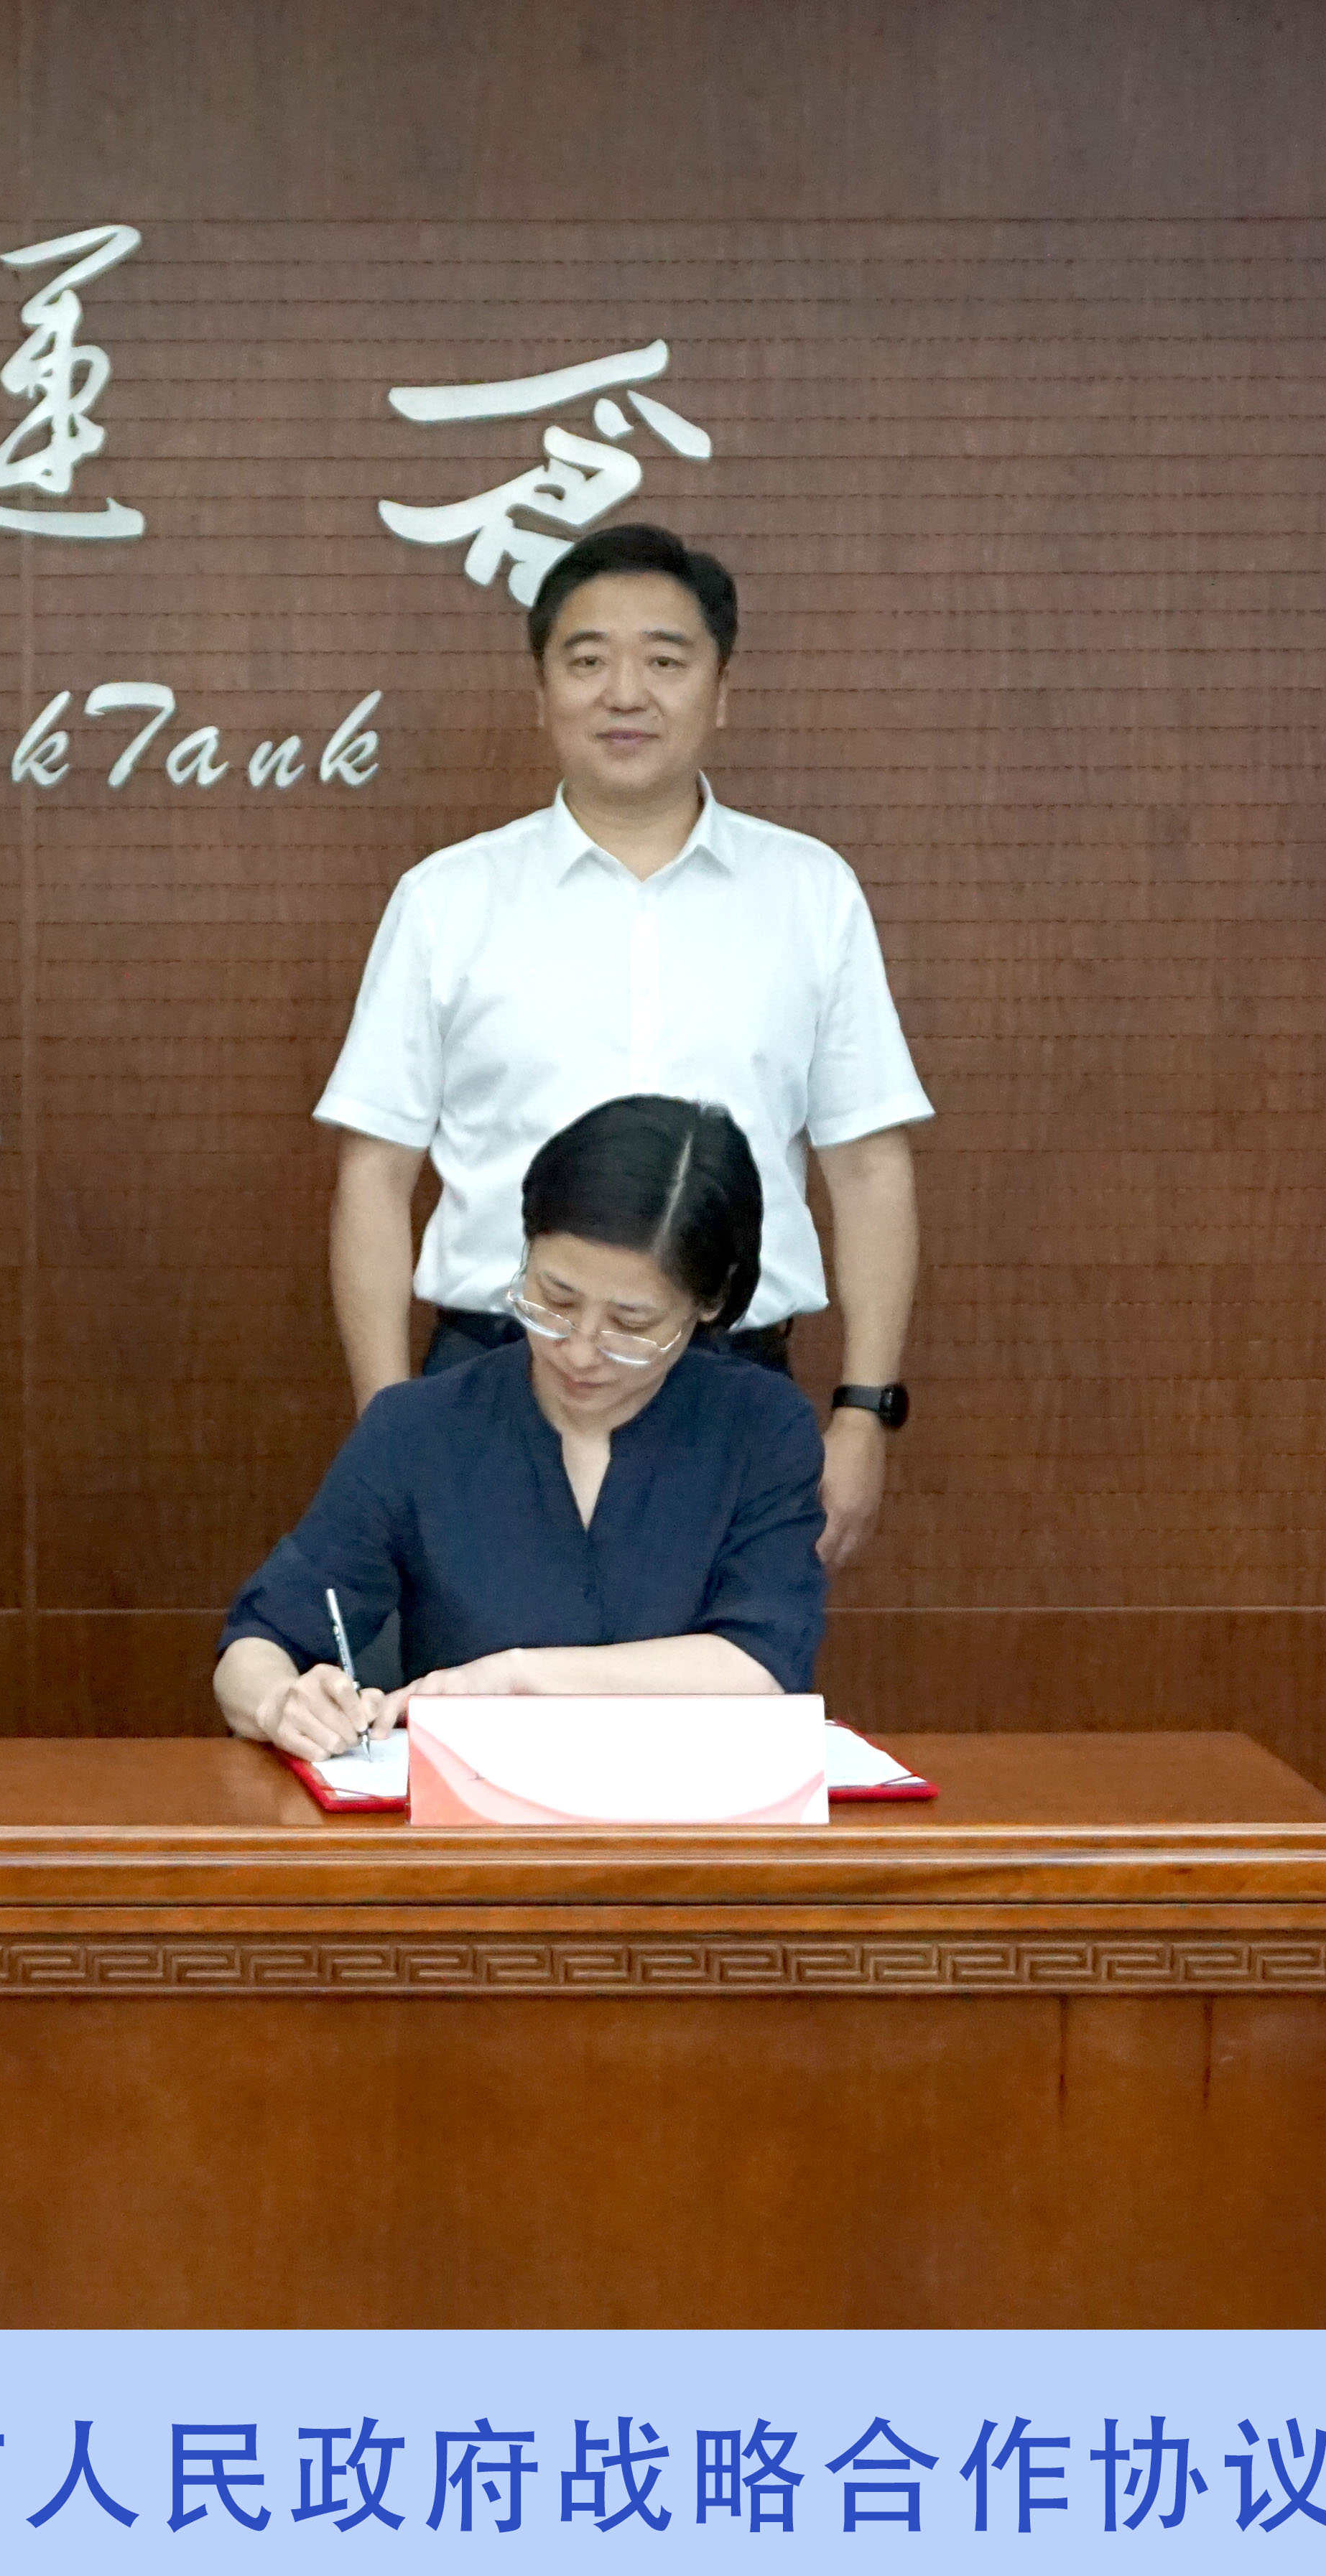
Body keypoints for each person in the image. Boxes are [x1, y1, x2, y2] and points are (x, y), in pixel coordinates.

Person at [315, 521, 929, 1566]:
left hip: (732, 1386)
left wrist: (864, 1411)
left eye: (665, 661)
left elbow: (870, 1166)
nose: (625, 693)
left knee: (721, 1670)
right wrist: (392, 1425)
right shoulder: (448, 900)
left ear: (722, 692)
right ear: (541, 692)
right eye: (589, 660)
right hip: (492, 1380)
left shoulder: (809, 893)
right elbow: (374, 1175)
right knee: (478, 1672)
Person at [215, 1096, 824, 1766]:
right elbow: (258, 1643)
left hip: (695, 1813)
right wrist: (280, 1703)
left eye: (632, 1325)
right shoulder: (419, 1429)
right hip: (471, 1821)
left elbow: (762, 1668)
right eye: (555, 1300)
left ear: (709, 1303)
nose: (581, 1351)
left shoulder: (761, 1428)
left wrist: (517, 1677)